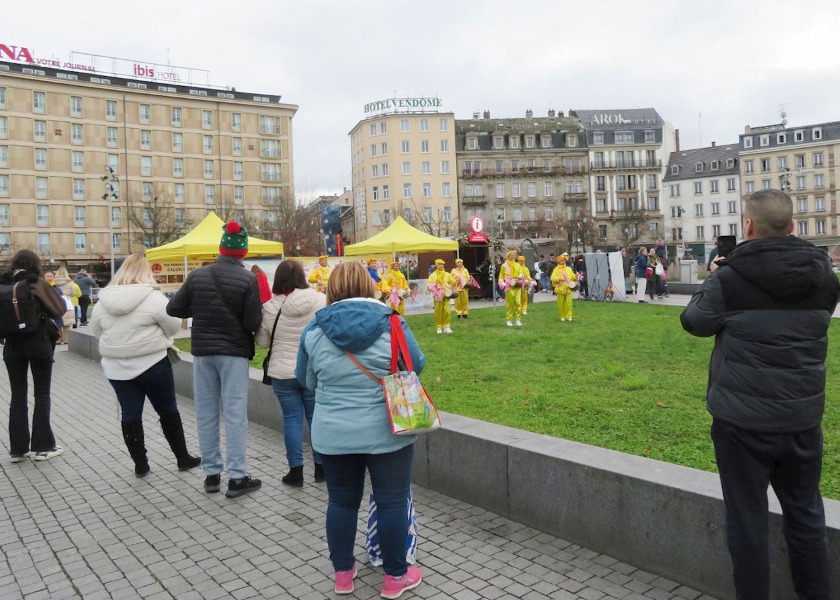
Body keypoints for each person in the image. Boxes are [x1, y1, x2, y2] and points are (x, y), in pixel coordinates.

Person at [680, 190, 838, 600]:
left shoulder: (729, 278)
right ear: (794, 226)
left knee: (747, 522)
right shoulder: (824, 276)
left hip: (741, 422)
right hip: (802, 419)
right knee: (806, 516)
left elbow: (694, 322)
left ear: (747, 226)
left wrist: (712, 278)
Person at [296, 261, 425, 598]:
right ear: (370, 286)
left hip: (333, 433)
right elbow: (416, 365)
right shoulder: (393, 322)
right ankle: (396, 576)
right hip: (387, 431)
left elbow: (305, 380)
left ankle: (343, 573)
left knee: (340, 503)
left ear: (332, 288)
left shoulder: (313, 330)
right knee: (392, 503)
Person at [166, 221, 263, 499]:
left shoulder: (198, 276)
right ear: (243, 252)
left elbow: (174, 307)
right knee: (234, 414)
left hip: (203, 352)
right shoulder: (248, 280)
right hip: (233, 352)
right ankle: (236, 477)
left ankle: (211, 475)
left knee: (206, 413)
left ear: (221, 248)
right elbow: (252, 321)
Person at [89, 255, 201, 477]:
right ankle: (182, 458)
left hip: (117, 368)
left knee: (130, 414)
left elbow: (97, 331)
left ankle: (141, 465)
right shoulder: (154, 297)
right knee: (168, 410)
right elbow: (172, 326)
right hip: (153, 363)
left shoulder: (103, 302)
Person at [256, 260, 326, 487]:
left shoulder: (269, 306)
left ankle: (295, 472)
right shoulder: (318, 299)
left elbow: (263, 342)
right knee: (315, 418)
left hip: (282, 374)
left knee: (292, 420)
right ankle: (321, 468)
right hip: (311, 369)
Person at [2, 250, 66, 462]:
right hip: (37, 344)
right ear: (35, 264)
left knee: (17, 396)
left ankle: (18, 450)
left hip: (12, 346)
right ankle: (43, 447)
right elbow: (59, 309)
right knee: (42, 395)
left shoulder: (4, 282)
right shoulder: (35, 282)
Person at [427, 259, 454, 334]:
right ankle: (439, 327)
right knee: (438, 311)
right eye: (439, 264)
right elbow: (429, 284)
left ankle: (447, 326)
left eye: (442, 264)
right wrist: (434, 287)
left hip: (446, 295)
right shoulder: (433, 275)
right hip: (437, 296)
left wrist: (453, 284)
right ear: (436, 265)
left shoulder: (447, 274)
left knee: (447, 311)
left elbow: (453, 282)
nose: (441, 265)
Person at [54, 266, 80, 342]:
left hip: (57, 302)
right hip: (67, 303)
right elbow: (73, 293)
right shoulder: (70, 283)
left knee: (57, 322)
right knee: (67, 324)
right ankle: (65, 339)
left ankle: (58, 339)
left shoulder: (54, 282)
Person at [498, 250, 524, 327]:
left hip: (517, 285)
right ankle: (509, 320)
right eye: (511, 255)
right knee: (510, 304)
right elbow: (501, 276)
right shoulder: (504, 266)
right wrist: (502, 282)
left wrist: (520, 276)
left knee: (518, 303)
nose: (513, 257)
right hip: (509, 286)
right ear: (508, 256)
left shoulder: (517, 265)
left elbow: (521, 272)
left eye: (514, 255)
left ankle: (518, 320)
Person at [550, 254, 577, 321]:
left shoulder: (569, 269)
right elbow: (552, 278)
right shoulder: (556, 269)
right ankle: (562, 316)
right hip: (560, 288)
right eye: (562, 260)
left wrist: (576, 276)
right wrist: (559, 278)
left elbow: (572, 276)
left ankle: (569, 316)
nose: (563, 261)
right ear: (559, 261)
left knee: (569, 303)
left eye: (564, 260)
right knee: (561, 304)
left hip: (568, 288)